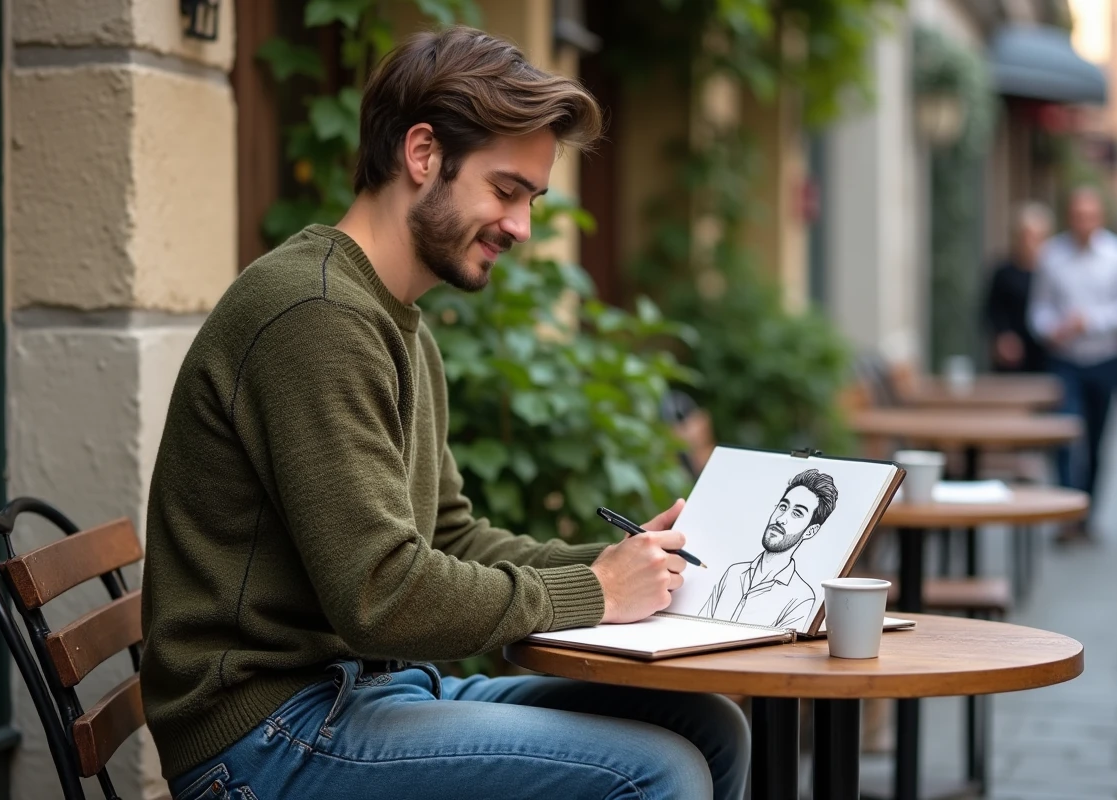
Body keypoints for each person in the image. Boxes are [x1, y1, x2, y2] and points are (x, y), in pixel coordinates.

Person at [140, 27, 750, 800]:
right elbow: (379, 594)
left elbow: (451, 537)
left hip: (359, 698)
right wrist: (595, 593)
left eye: (531, 198)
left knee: (709, 728)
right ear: (422, 154)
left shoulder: (393, 319)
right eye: (505, 190)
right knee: (659, 772)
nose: (522, 228)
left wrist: (631, 569)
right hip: (266, 737)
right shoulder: (314, 315)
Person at [1028, 186, 1117, 542]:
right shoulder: (1051, 255)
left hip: (1107, 359)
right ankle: (1068, 516)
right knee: (1065, 435)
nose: (1084, 223)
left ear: (1100, 218)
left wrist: (1091, 320)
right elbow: (1038, 310)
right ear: (1070, 217)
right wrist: (1050, 329)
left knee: (1097, 439)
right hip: (1066, 360)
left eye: (1090, 216)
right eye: (1078, 216)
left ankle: (1087, 515)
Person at [699, 469, 839, 630]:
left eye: (797, 513)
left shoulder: (800, 597)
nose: (781, 519)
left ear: (810, 531)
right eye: (783, 507)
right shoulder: (734, 572)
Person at [984, 202, 1054, 373]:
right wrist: (1003, 337)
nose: (1030, 243)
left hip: (1048, 355)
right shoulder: (1004, 272)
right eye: (1025, 236)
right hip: (1012, 356)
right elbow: (991, 310)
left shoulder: (1054, 271)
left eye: (1037, 237)